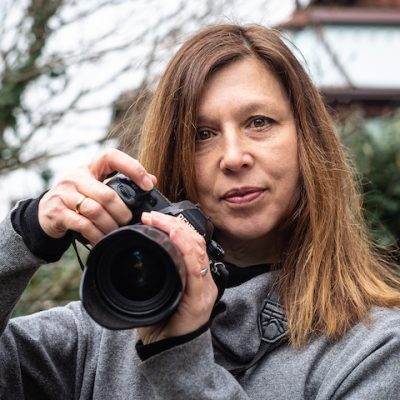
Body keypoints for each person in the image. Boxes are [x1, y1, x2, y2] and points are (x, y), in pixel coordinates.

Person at [1, 23, 400, 399]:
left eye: (259, 122)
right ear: (175, 158)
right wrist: (26, 232)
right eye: (202, 134)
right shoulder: (105, 333)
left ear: (307, 141)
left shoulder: (375, 349)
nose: (234, 157)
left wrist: (178, 354)